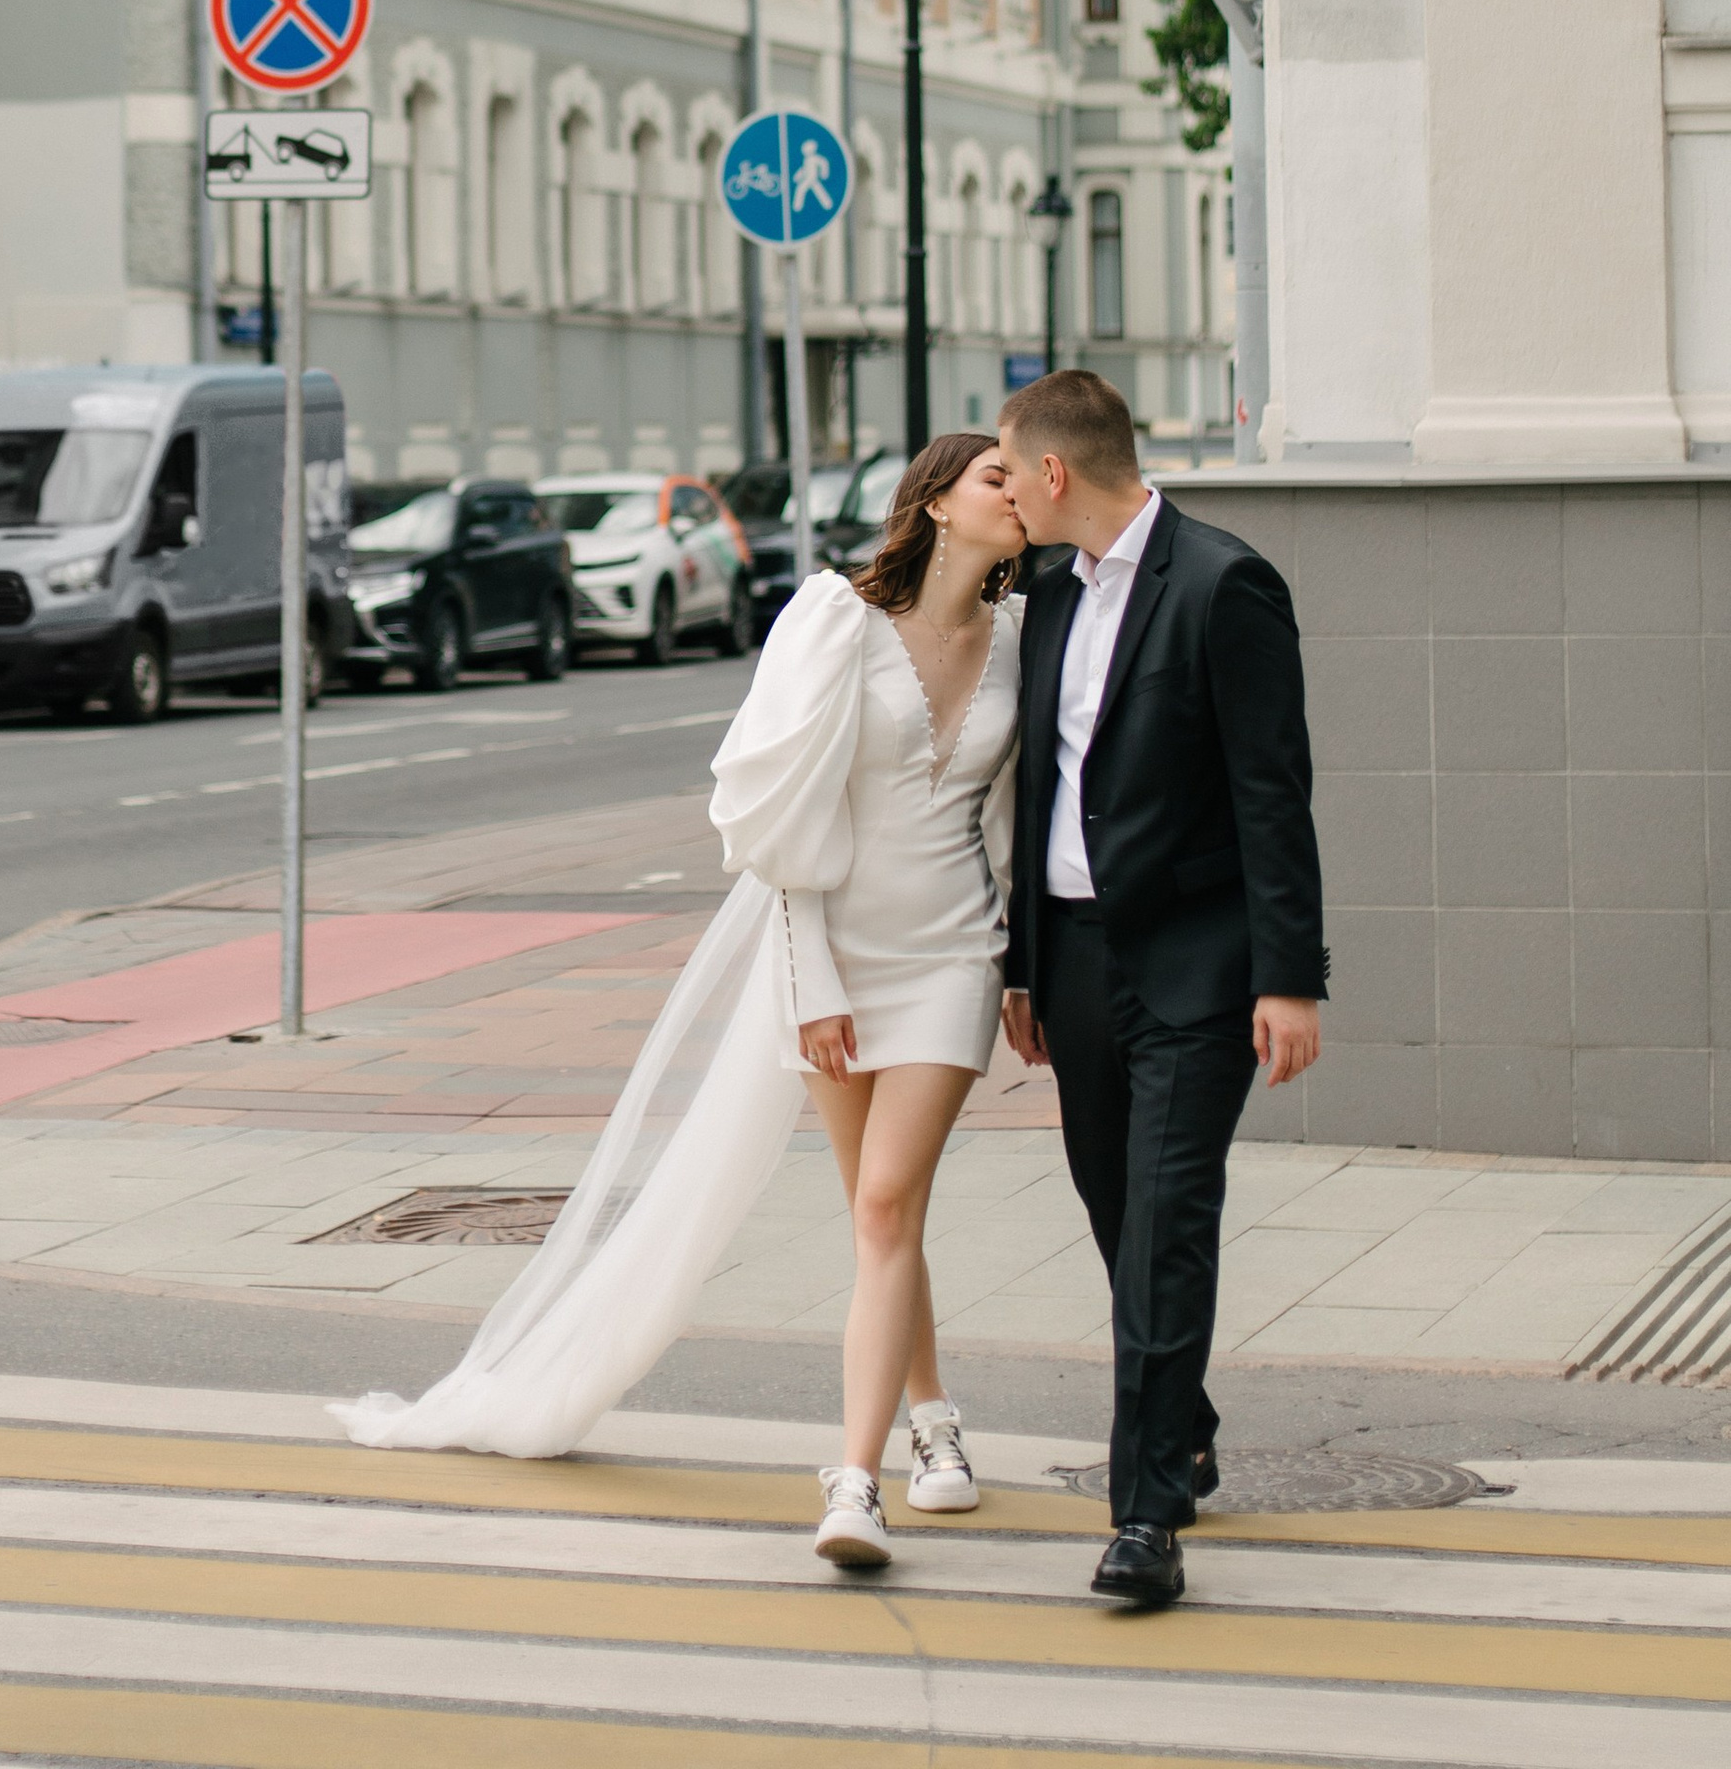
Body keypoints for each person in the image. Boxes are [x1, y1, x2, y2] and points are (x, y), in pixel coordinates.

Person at [339, 430, 1029, 1584]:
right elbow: (771, 823)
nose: (1020, 492)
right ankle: (932, 1418)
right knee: (881, 1215)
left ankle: (852, 1481)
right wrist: (807, 980)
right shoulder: (832, 621)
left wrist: (1019, 971)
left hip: (955, 950)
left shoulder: (1020, 636)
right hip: (835, 954)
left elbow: (1011, 821)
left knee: (888, 1199)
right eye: (996, 477)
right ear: (939, 503)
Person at [997, 367, 1327, 1610]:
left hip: (1196, 965)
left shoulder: (1223, 581)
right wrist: (1024, 962)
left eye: (1010, 471)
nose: (1009, 496)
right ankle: (1179, 1421)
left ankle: (1144, 1518)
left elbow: (1270, 793)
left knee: (1166, 1219)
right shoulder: (1045, 591)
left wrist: (1290, 978)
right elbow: (1037, 791)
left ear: (1052, 473)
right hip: (1075, 964)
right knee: (1111, 1208)